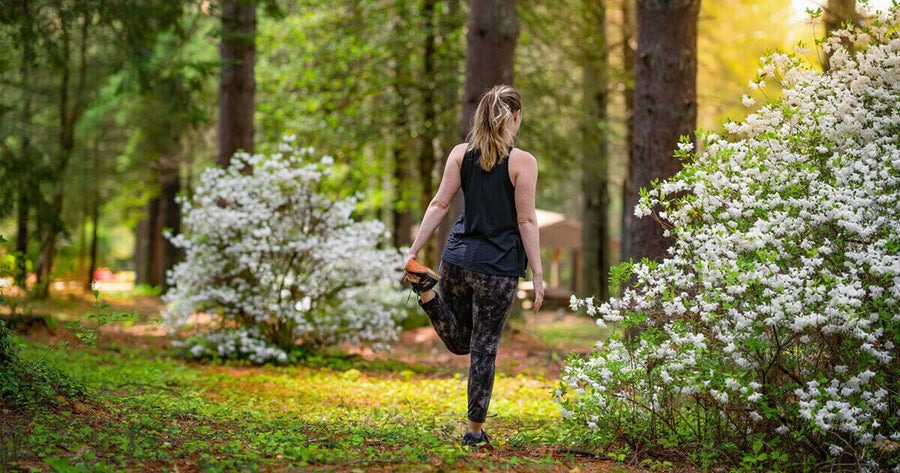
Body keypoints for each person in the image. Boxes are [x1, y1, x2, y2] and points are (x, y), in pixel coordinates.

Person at [403, 84, 544, 449]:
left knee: (460, 343)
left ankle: (427, 292)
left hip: (457, 259)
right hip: (498, 269)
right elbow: (527, 221)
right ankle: (474, 433)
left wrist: (414, 250)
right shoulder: (522, 161)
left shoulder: (459, 154)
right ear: (514, 117)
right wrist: (539, 274)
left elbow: (439, 204)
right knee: (483, 350)